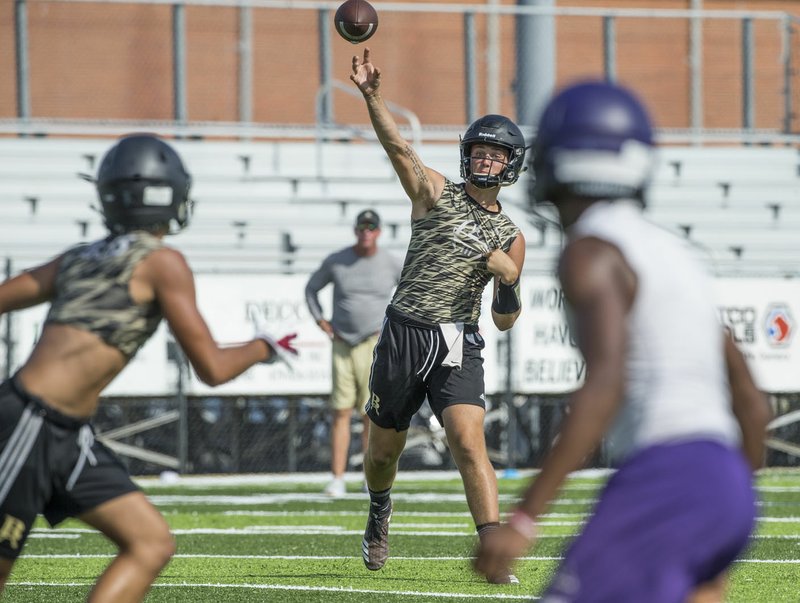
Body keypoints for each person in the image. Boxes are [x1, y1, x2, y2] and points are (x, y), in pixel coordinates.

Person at [473, 81, 772, 601]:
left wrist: (524, 518)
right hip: (726, 479)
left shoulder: (590, 251)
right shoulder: (675, 252)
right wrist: (728, 502)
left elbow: (606, 382)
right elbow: (750, 400)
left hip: (668, 476)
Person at [0, 133, 297, 602]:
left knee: (151, 543)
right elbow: (213, 368)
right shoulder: (164, 263)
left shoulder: (78, 257)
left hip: (64, 432)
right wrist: (265, 346)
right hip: (31, 423)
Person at [349, 48, 528, 583]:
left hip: (457, 340)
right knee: (383, 454)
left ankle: (493, 551)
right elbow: (398, 149)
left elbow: (504, 320)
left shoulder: (513, 235)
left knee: (468, 442)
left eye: (495, 155)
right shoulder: (436, 195)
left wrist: (509, 279)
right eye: (478, 151)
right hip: (405, 331)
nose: (484, 160)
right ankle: (380, 511)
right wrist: (373, 95)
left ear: (511, 165)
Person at [305, 209, 402, 498]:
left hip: (374, 343)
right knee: (340, 412)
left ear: (379, 232)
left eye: (371, 227)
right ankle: (337, 478)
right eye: (362, 227)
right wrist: (319, 319)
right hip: (342, 343)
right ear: (355, 230)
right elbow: (311, 289)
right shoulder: (337, 260)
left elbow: (409, 291)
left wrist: (396, 325)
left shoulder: (390, 263)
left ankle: (369, 476)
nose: (366, 232)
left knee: (370, 414)